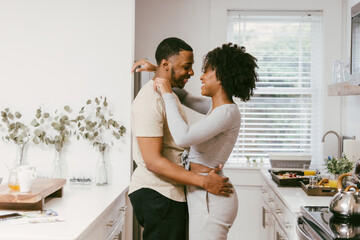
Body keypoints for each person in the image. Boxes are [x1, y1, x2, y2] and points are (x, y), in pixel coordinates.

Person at [137, 43, 258, 240]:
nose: (200, 76)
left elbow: (183, 136)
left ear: (221, 77)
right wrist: (159, 69)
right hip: (203, 193)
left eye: (207, 71)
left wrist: (166, 92)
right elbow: (183, 95)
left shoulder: (227, 112)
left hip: (211, 198)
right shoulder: (217, 107)